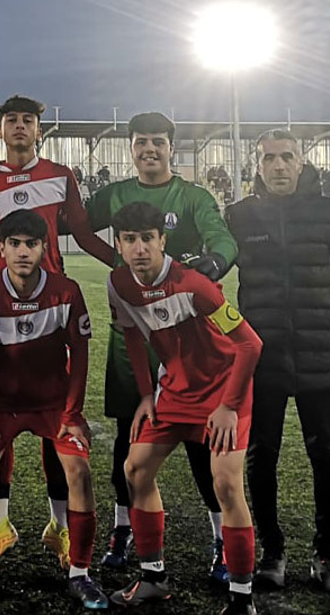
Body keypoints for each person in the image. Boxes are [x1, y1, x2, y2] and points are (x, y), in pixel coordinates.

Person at [0, 94, 114, 572]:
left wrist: (123, 266)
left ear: (39, 130)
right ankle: (1, 527)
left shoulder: (60, 175)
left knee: (55, 422)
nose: (21, 126)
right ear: (1, 130)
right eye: (12, 120)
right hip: (0, 311)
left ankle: (60, 528)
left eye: (29, 120)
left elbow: (85, 235)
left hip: (52, 308)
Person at [86, 112, 237, 580]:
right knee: (126, 445)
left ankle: (221, 540)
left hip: (185, 343)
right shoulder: (113, 194)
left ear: (171, 146)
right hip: (132, 336)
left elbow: (224, 241)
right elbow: (74, 222)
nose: (149, 149)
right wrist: (111, 259)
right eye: (140, 142)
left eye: (157, 141)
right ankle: (123, 530)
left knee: (199, 446)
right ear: (130, 148)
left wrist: (209, 266)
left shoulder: (193, 197)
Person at [105, 201, 263, 615]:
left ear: (162, 240)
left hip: (224, 392)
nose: (139, 249)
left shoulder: (196, 286)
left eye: (147, 239)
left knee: (227, 484)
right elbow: (133, 335)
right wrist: (143, 396)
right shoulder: (118, 284)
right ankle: (153, 577)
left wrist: (229, 406)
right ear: (118, 244)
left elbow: (250, 345)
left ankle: (243, 599)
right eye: (130, 240)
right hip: (174, 390)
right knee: (135, 469)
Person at [225, 129, 330, 595]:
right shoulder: (240, 217)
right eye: (270, 159)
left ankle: (327, 555)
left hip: (320, 355)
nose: (280, 166)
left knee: (325, 456)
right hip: (261, 361)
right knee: (261, 456)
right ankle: (272, 551)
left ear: (302, 162)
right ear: (258, 166)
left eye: (287, 157)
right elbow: (212, 261)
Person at [0, 209, 108, 610]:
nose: (23, 251)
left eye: (31, 244)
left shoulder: (67, 290)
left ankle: (80, 572)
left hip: (53, 404)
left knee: (78, 471)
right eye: (15, 244)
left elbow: (79, 356)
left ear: (45, 248)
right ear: (2, 248)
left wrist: (72, 413)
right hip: (4, 404)